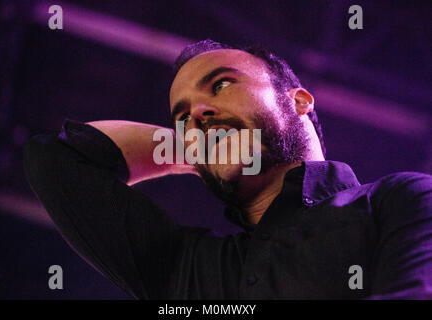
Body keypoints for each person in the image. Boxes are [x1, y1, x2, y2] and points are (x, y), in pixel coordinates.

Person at [23, 40, 432, 299]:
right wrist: (208, 150)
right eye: (183, 117)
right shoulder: (189, 271)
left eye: (220, 85)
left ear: (300, 101)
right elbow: (57, 160)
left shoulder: (402, 199)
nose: (197, 113)